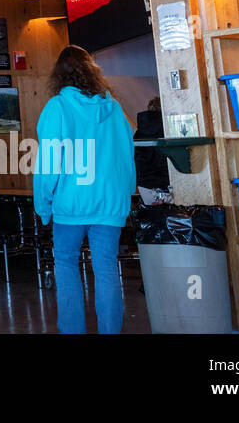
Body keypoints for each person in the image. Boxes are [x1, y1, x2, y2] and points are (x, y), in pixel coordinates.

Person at [34, 45, 135, 334]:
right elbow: (127, 152)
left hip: (71, 204)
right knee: (105, 267)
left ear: (59, 76)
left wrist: (43, 206)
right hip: (110, 203)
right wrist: (126, 192)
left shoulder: (57, 107)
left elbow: (48, 164)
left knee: (66, 264)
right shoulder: (114, 107)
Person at [134, 97, 173, 205]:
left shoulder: (139, 133)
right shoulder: (169, 129)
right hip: (168, 183)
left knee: (154, 216)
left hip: (144, 185)